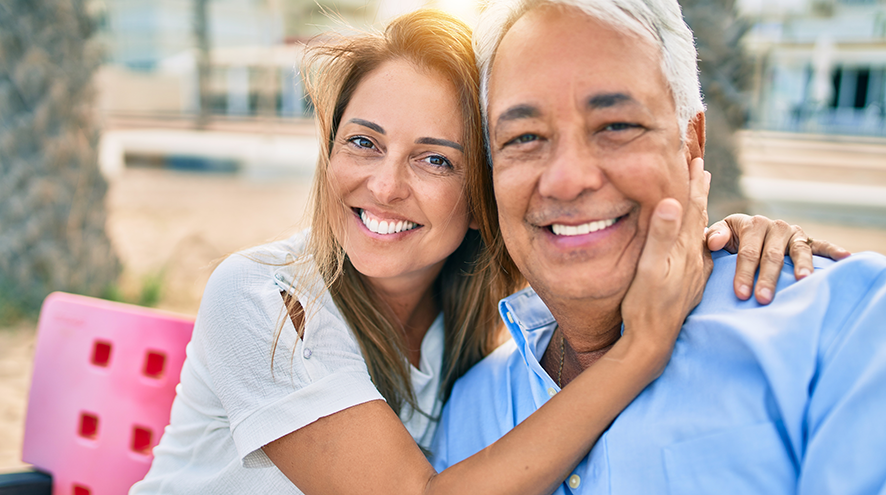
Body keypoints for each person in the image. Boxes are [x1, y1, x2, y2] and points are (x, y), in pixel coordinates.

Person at [132, 9, 847, 495]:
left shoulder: (481, 329)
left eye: (435, 160)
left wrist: (721, 233)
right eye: (362, 141)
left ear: (480, 196)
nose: (383, 185)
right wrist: (641, 351)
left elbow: (588, 226)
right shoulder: (262, 296)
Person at [431, 1, 886, 493]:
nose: (567, 180)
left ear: (692, 142)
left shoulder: (846, 326)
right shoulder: (470, 411)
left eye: (616, 126)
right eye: (523, 137)